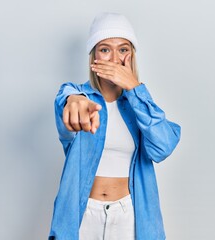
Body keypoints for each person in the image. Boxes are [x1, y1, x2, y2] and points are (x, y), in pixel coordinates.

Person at [48, 12, 181, 240]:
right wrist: (73, 100)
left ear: (131, 56)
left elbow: (164, 146)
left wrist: (135, 88)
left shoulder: (139, 107)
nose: (114, 59)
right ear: (94, 57)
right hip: (84, 215)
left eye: (123, 50)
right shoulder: (77, 97)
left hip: (129, 216)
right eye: (105, 49)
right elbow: (67, 102)